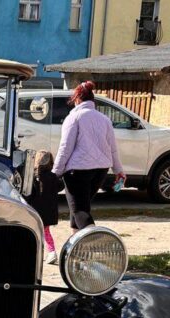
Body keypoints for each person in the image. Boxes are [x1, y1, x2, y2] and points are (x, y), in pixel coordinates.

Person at [52, 81, 125, 235]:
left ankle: (93, 241)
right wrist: (119, 171)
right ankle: (76, 250)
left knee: (79, 210)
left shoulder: (74, 118)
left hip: (78, 171)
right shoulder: (104, 119)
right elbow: (113, 149)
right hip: (101, 171)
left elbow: (65, 148)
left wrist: (55, 172)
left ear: (77, 99)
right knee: (80, 208)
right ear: (93, 100)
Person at [27, 151, 64, 264]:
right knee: (46, 232)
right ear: (51, 163)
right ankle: (51, 252)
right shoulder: (53, 177)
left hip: (35, 212)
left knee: (33, 232)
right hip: (48, 212)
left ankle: (36, 253)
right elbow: (60, 186)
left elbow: (29, 194)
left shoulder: (33, 177)